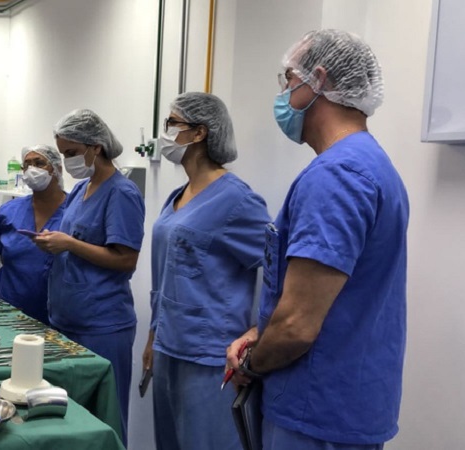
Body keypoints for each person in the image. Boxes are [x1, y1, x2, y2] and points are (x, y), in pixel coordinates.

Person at [226, 30, 409, 450]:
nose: (283, 93)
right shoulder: (372, 165)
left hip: (315, 415)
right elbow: (332, 297)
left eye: (288, 80)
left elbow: (297, 327)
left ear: (319, 78)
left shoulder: (337, 177)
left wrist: (252, 364)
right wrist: (262, 330)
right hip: (347, 401)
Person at [141, 92, 270, 450]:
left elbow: (282, 268)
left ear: (199, 133)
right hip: (168, 349)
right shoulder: (177, 196)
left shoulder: (237, 200)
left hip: (209, 357)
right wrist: (153, 338)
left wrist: (262, 329)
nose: (164, 132)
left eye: (171, 124)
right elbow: (166, 276)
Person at [34, 109, 145, 444]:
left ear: (95, 148)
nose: (66, 161)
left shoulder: (121, 193)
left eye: (70, 153)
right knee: (71, 421)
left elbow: (126, 259)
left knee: (104, 419)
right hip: (67, 320)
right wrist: (53, 244)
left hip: (102, 325)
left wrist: (69, 244)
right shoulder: (81, 188)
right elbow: (73, 240)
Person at [0, 144, 66, 324]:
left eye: (39, 163)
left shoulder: (75, 211)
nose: (32, 169)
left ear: (57, 168)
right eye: (27, 165)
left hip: (60, 315)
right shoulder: (8, 212)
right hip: (12, 310)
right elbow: (4, 257)